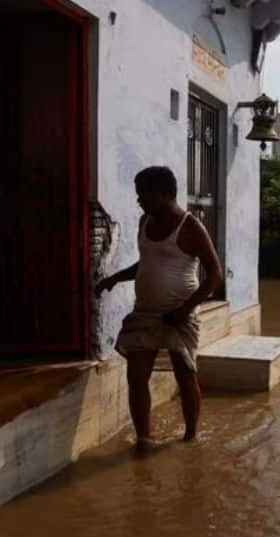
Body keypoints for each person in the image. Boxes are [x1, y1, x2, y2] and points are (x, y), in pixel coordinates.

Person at [95, 166, 223, 446]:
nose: (139, 200)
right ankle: (144, 438)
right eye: (138, 194)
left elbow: (215, 274)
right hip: (145, 312)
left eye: (144, 195)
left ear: (166, 195)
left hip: (181, 313)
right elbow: (148, 262)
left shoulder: (190, 226)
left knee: (185, 375)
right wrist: (115, 278)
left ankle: (190, 437)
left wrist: (185, 310)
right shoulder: (145, 222)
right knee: (136, 378)